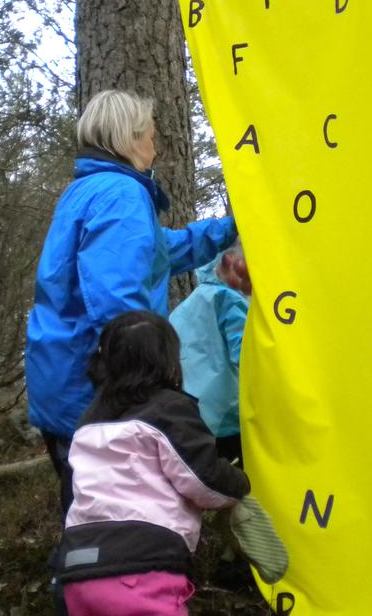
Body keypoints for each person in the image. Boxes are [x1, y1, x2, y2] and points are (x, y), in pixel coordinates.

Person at [25, 89, 238, 514]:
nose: (157, 144)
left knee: (85, 511)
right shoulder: (120, 195)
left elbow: (162, 251)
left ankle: (83, 575)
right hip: (92, 386)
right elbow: (117, 300)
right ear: (130, 137)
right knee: (111, 521)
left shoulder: (88, 190)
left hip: (62, 374)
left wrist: (231, 227)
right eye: (151, 134)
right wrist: (155, 384)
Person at [56, 311, 249, 616]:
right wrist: (240, 482)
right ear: (169, 362)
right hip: (140, 568)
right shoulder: (170, 411)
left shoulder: (86, 423)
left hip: (76, 570)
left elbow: (69, 497)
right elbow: (203, 480)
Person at [169, 240, 250, 466]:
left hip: (190, 412)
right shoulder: (229, 300)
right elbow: (246, 354)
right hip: (227, 415)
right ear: (227, 262)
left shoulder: (186, 306)